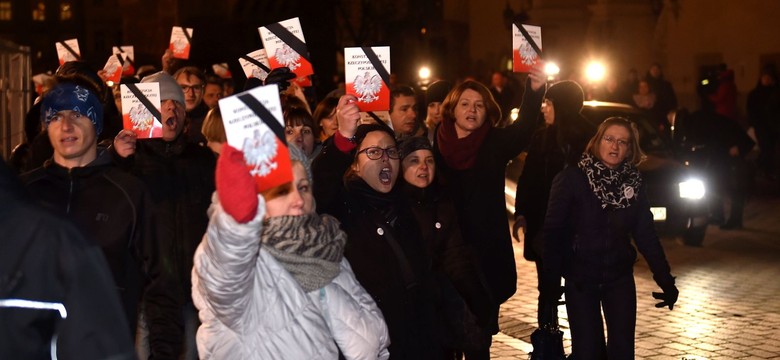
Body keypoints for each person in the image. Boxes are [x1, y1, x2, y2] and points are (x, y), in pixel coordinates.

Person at [192, 143, 390, 359]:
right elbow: (225, 268)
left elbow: (372, 342)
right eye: (282, 190)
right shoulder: (241, 263)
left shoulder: (327, 247)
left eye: (303, 187)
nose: (298, 200)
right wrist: (235, 218)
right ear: (254, 197)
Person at [20, 80, 169, 347]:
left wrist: (164, 353)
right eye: (55, 116)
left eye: (77, 114)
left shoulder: (130, 194)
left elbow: (162, 284)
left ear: (96, 124)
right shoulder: (24, 193)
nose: (66, 125)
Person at [542, 117, 679, 359]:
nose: (615, 146)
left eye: (622, 142)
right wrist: (551, 284)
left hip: (619, 279)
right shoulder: (572, 179)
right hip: (581, 279)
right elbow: (552, 233)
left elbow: (645, 234)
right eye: (609, 139)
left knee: (623, 353)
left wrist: (665, 279)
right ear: (597, 141)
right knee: (587, 353)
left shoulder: (633, 183)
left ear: (629, 149)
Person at [432, 66, 546, 355]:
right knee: (445, 338)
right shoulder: (434, 145)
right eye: (465, 104)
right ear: (452, 109)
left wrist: (533, 91)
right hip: (445, 255)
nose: (472, 110)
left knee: (479, 338)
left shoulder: (494, 143)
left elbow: (523, 129)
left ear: (488, 111)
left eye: (479, 105)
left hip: (485, 257)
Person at [313, 108, 441, 358]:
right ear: (356, 165)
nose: (385, 158)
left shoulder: (406, 206)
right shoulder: (341, 206)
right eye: (373, 152)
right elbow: (320, 183)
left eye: (391, 151)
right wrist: (342, 138)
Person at [113, 71, 216, 360]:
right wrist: (118, 159)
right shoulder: (129, 161)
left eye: (177, 103)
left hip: (192, 294)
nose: (172, 108)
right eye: (163, 102)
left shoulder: (204, 161)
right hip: (146, 298)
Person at [0, 160, 136, 360]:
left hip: (110, 311)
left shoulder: (53, 237)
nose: (65, 127)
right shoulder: (33, 184)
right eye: (52, 125)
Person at [398, 136, 495, 358]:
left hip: (442, 308)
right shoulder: (395, 207)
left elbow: (456, 255)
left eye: (429, 160)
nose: (423, 166)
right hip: (410, 311)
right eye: (414, 161)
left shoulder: (444, 203)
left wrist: (475, 297)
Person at [512, 80, 595, 329]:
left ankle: (586, 348)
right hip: (544, 228)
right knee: (547, 289)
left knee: (580, 291)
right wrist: (522, 213)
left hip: (579, 231)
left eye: (548, 103)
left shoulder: (590, 138)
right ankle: (548, 345)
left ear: (562, 105)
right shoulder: (541, 137)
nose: (544, 108)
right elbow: (529, 179)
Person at [747, 64, 780, 179]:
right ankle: (764, 168)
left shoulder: (776, 92)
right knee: (766, 147)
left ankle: (766, 169)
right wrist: (754, 122)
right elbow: (751, 109)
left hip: (774, 126)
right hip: (761, 125)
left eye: (769, 77)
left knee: (771, 149)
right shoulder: (755, 94)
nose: (766, 80)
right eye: (764, 77)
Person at [173, 66, 209, 145]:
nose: (191, 94)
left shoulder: (212, 121)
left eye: (196, 87)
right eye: (184, 87)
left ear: (203, 90)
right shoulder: (162, 119)